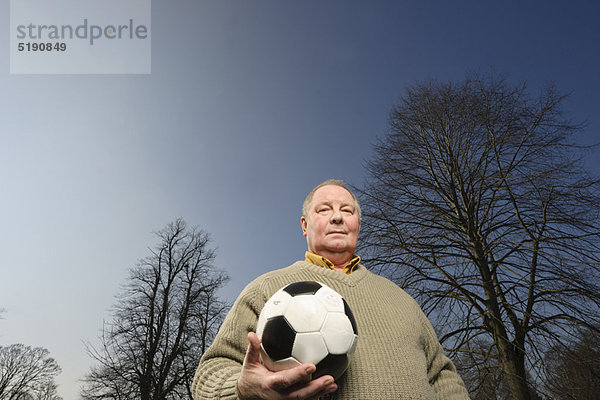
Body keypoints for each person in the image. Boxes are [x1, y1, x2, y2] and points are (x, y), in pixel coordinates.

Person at [192, 179, 470, 399]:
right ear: (304, 225)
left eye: (346, 211)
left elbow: (442, 375)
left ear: (357, 225)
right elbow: (209, 373)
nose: (337, 217)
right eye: (324, 209)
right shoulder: (267, 289)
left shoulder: (402, 298)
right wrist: (242, 389)